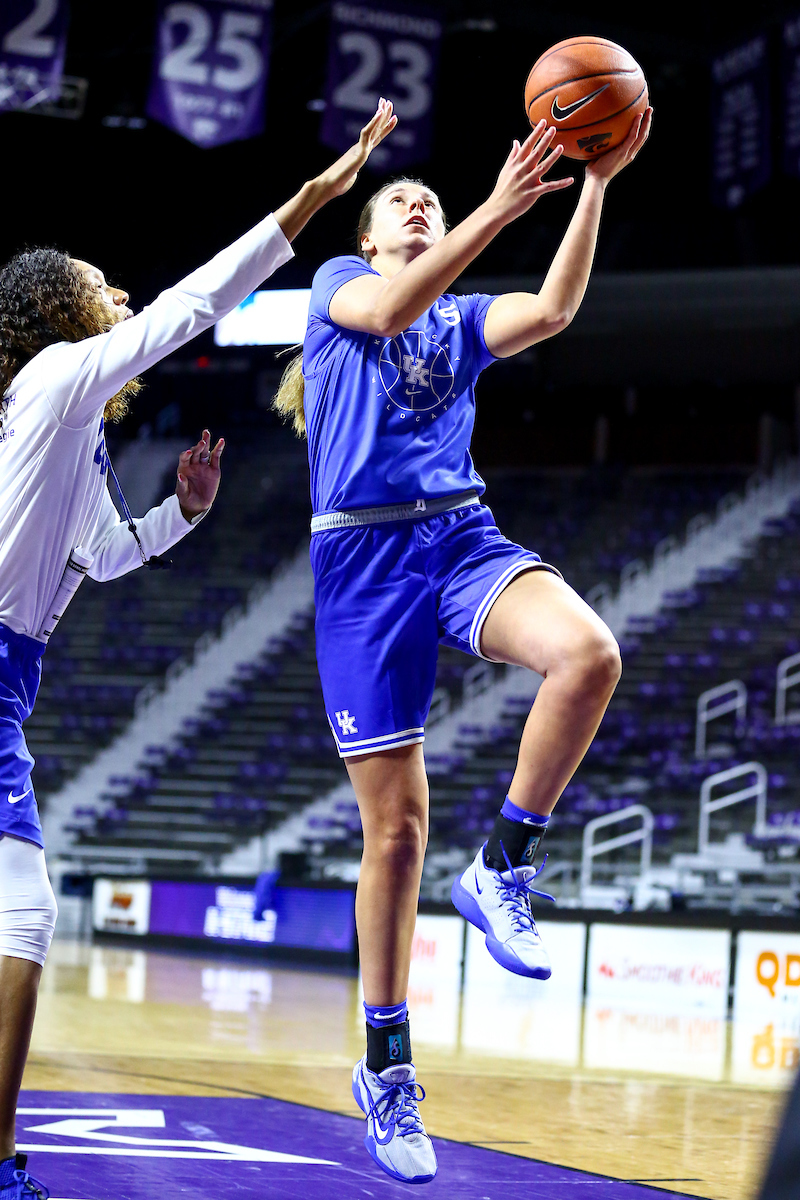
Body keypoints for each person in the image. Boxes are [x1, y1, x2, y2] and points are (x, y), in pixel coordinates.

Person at [0, 101, 397, 1200]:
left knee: (19, 913)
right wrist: (317, 198)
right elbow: (191, 305)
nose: (115, 292)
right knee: (22, 912)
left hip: (6, 687)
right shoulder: (47, 385)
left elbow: (107, 555)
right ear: (55, 314)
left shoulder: (67, 435)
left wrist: (180, 512)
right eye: (95, 284)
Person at [273, 109, 652, 1184]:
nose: (415, 200)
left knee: (588, 653)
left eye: (425, 197)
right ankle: (385, 1067)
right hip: (360, 566)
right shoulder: (339, 289)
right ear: (369, 234)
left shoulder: (462, 316)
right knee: (392, 837)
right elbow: (396, 302)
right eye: (400, 201)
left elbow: (553, 308)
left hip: (455, 536)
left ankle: (502, 870)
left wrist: (589, 185)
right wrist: (496, 203)